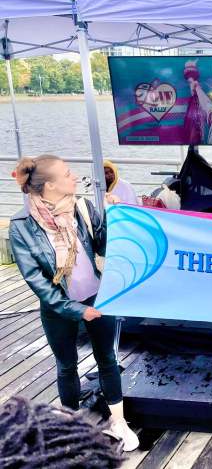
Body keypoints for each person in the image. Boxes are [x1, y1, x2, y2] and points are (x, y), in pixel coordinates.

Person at [8, 155, 139, 452]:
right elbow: (38, 282)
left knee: (107, 359)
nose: (75, 177)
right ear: (51, 185)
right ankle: (73, 426)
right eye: (68, 174)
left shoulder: (81, 207)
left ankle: (118, 422)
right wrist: (77, 310)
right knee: (67, 366)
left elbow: (104, 245)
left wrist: (110, 214)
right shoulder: (21, 226)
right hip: (59, 308)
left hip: (97, 296)